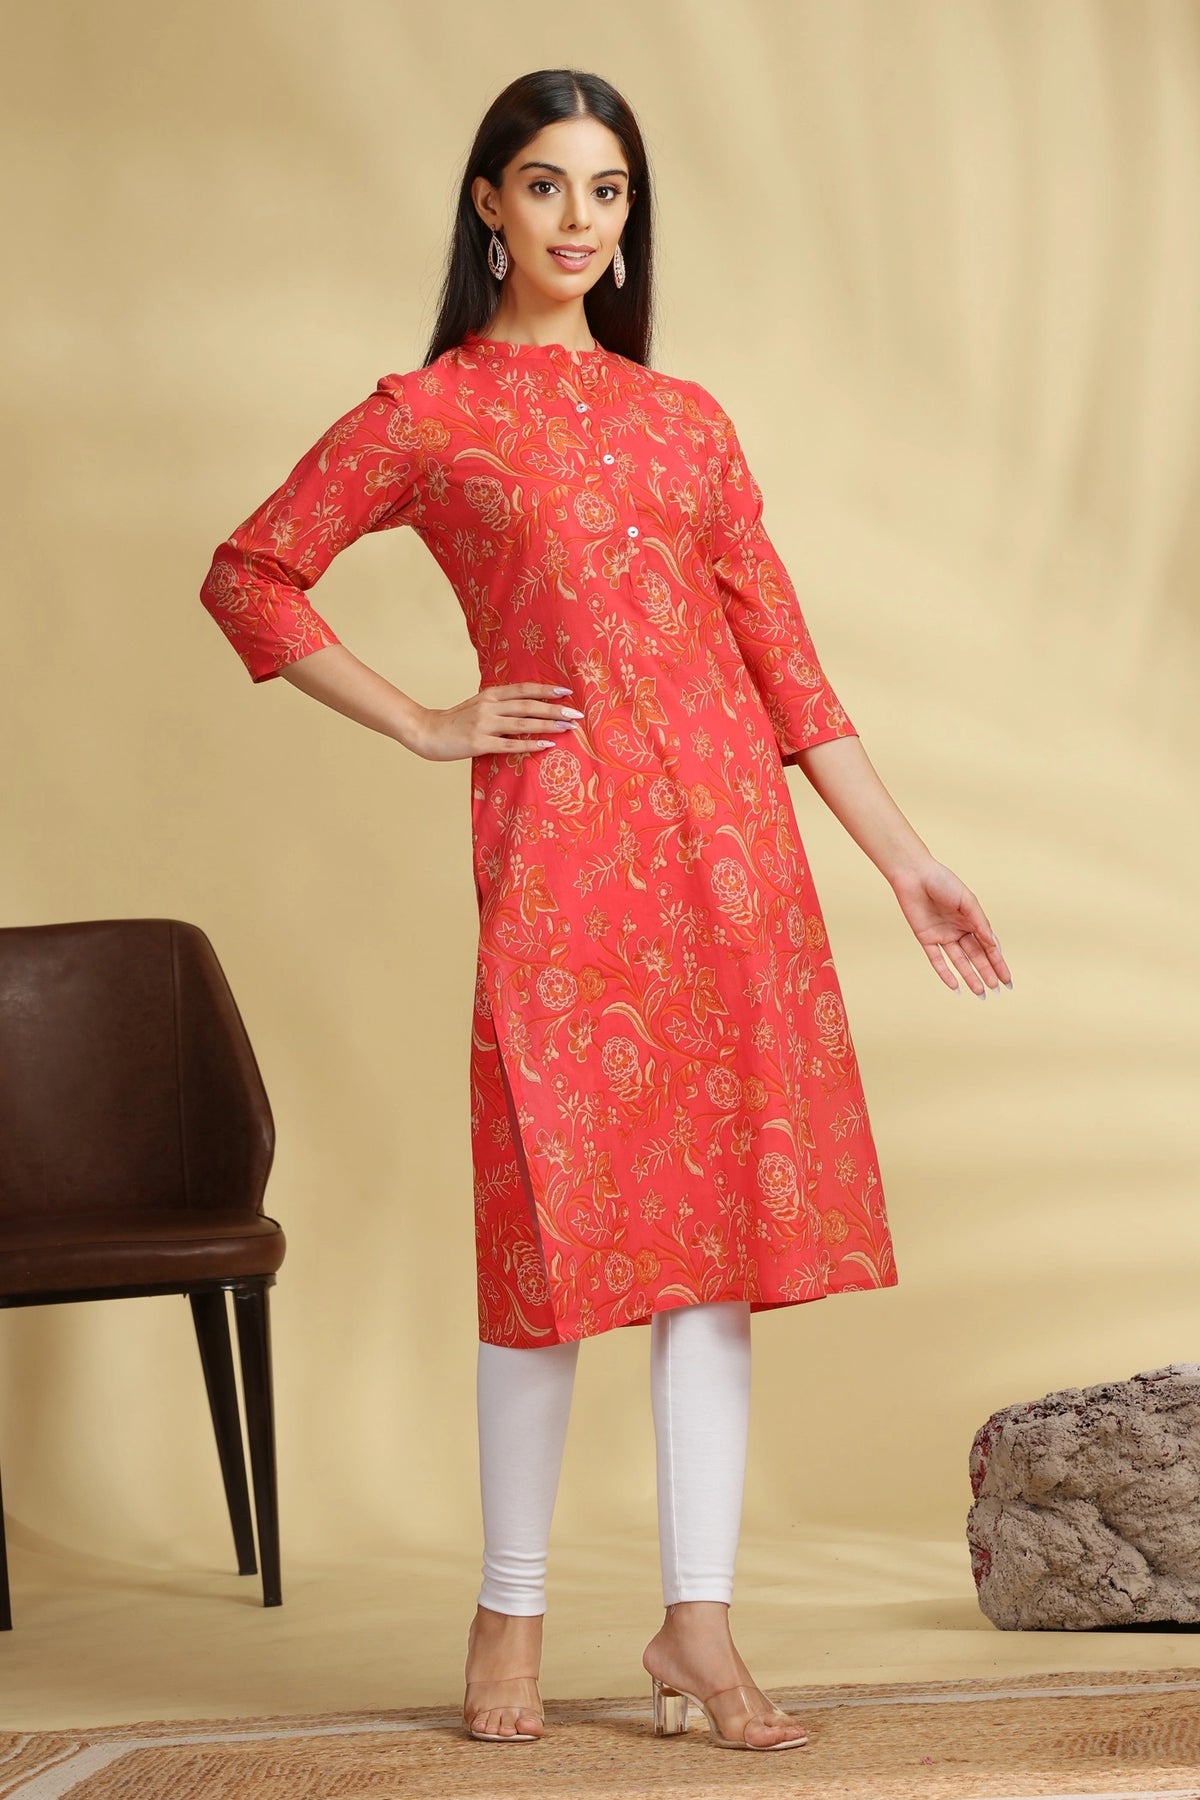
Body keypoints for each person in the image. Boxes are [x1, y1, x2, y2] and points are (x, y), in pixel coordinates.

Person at [199, 68, 1011, 1754]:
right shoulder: (429, 412)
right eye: (549, 185)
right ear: (489, 203)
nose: (581, 220)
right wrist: (426, 719)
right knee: (550, 1249)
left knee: (714, 1260)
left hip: (735, 871)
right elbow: (251, 573)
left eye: (610, 190)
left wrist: (904, 859)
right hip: (564, 870)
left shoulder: (686, 421)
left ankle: (697, 1625)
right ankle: (508, 1610)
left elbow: (787, 668)